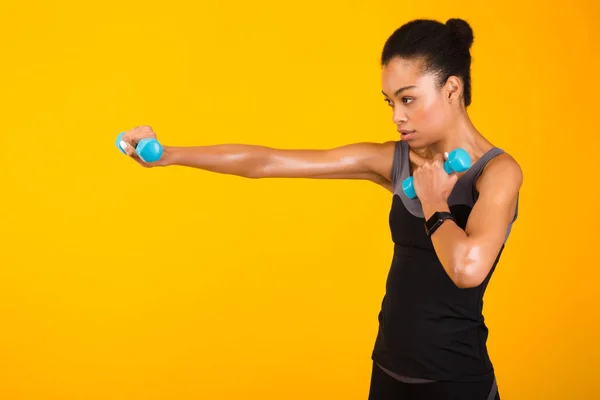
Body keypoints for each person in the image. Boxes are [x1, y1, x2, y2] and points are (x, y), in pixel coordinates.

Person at [119, 17, 522, 400]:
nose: (397, 116)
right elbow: (268, 163)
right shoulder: (396, 161)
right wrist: (168, 154)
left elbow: (467, 269)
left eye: (408, 99)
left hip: (457, 383)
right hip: (388, 373)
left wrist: (434, 200)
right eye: (390, 102)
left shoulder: (497, 173)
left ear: (452, 89)